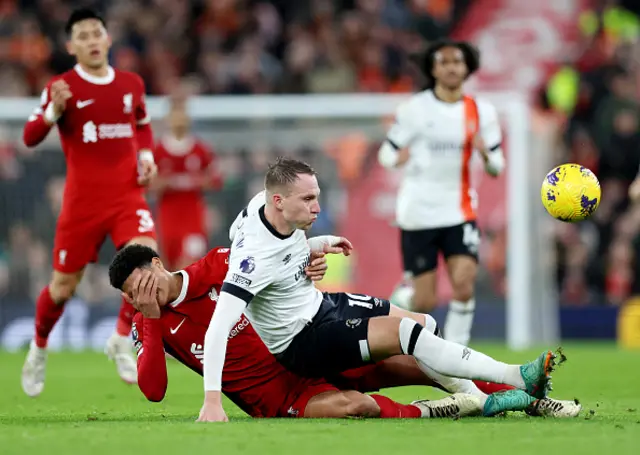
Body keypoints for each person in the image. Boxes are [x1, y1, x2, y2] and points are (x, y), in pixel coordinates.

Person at [192, 158, 559, 422]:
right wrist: (212, 401)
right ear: (278, 201)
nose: (317, 207)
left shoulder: (262, 205)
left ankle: (476, 399)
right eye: (308, 201)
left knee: (425, 324)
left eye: (316, 196)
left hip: (321, 305)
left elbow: (279, 249)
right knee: (406, 333)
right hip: (302, 342)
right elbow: (218, 327)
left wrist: (315, 246)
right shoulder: (251, 259)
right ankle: (514, 376)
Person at [110, 244, 581, 419]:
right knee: (356, 407)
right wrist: (148, 320)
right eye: (132, 295)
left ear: (158, 263)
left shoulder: (218, 265)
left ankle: (532, 398)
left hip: (309, 350)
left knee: (417, 358)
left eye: (142, 283)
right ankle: (449, 409)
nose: (140, 296)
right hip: (275, 397)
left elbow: (276, 268)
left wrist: (308, 256)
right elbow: (153, 390)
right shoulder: (148, 325)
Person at [21, 8, 159, 396]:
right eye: (82, 36)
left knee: (147, 262)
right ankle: (39, 347)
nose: (92, 41)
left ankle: (119, 337)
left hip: (126, 196)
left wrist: (146, 158)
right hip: (82, 205)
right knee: (63, 289)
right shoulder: (62, 87)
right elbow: (30, 137)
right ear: (71, 46)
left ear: (108, 39)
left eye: (97, 33)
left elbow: (143, 125)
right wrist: (53, 112)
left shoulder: (131, 84)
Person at [378, 39, 505, 346]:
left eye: (457, 62)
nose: (451, 67)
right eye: (444, 62)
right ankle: (402, 297)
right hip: (418, 213)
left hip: (459, 210)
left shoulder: (482, 112)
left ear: (467, 67)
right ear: (433, 69)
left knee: (464, 285)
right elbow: (386, 153)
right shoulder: (414, 109)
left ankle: (457, 354)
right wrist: (398, 158)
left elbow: (497, 167)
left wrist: (486, 155)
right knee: (424, 302)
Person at [152, 102, 222, 270]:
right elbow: (148, 184)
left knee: (191, 261)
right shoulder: (158, 151)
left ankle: (189, 294)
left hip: (193, 215)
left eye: (183, 117)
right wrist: (167, 182)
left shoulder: (200, 149)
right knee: (170, 264)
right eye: (175, 117)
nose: (179, 122)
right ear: (168, 120)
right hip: (168, 215)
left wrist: (197, 181)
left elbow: (215, 180)